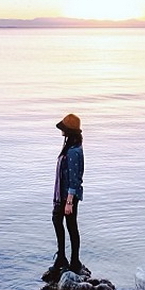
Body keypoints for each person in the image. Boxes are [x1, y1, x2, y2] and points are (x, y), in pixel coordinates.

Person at [42, 113, 88, 280]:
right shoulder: (69, 147)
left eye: (64, 129)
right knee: (57, 221)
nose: (61, 131)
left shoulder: (74, 151)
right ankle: (62, 257)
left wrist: (69, 202)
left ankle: (74, 261)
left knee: (71, 227)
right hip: (60, 196)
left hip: (68, 197)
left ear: (70, 131)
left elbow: (75, 179)